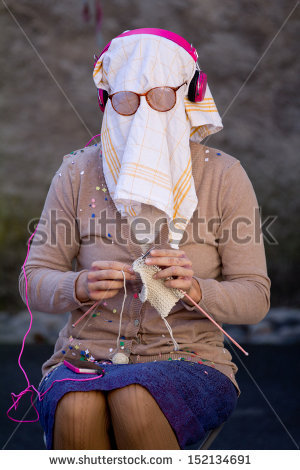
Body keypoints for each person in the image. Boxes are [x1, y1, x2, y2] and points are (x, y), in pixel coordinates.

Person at [19, 29, 271, 450]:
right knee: (77, 408)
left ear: (189, 94)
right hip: (84, 357)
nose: (143, 117)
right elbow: (33, 279)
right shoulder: (77, 172)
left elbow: (255, 297)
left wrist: (194, 289)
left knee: (135, 397)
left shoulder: (224, 176)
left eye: (160, 98)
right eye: (127, 100)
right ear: (108, 101)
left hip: (190, 359)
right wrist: (77, 286)